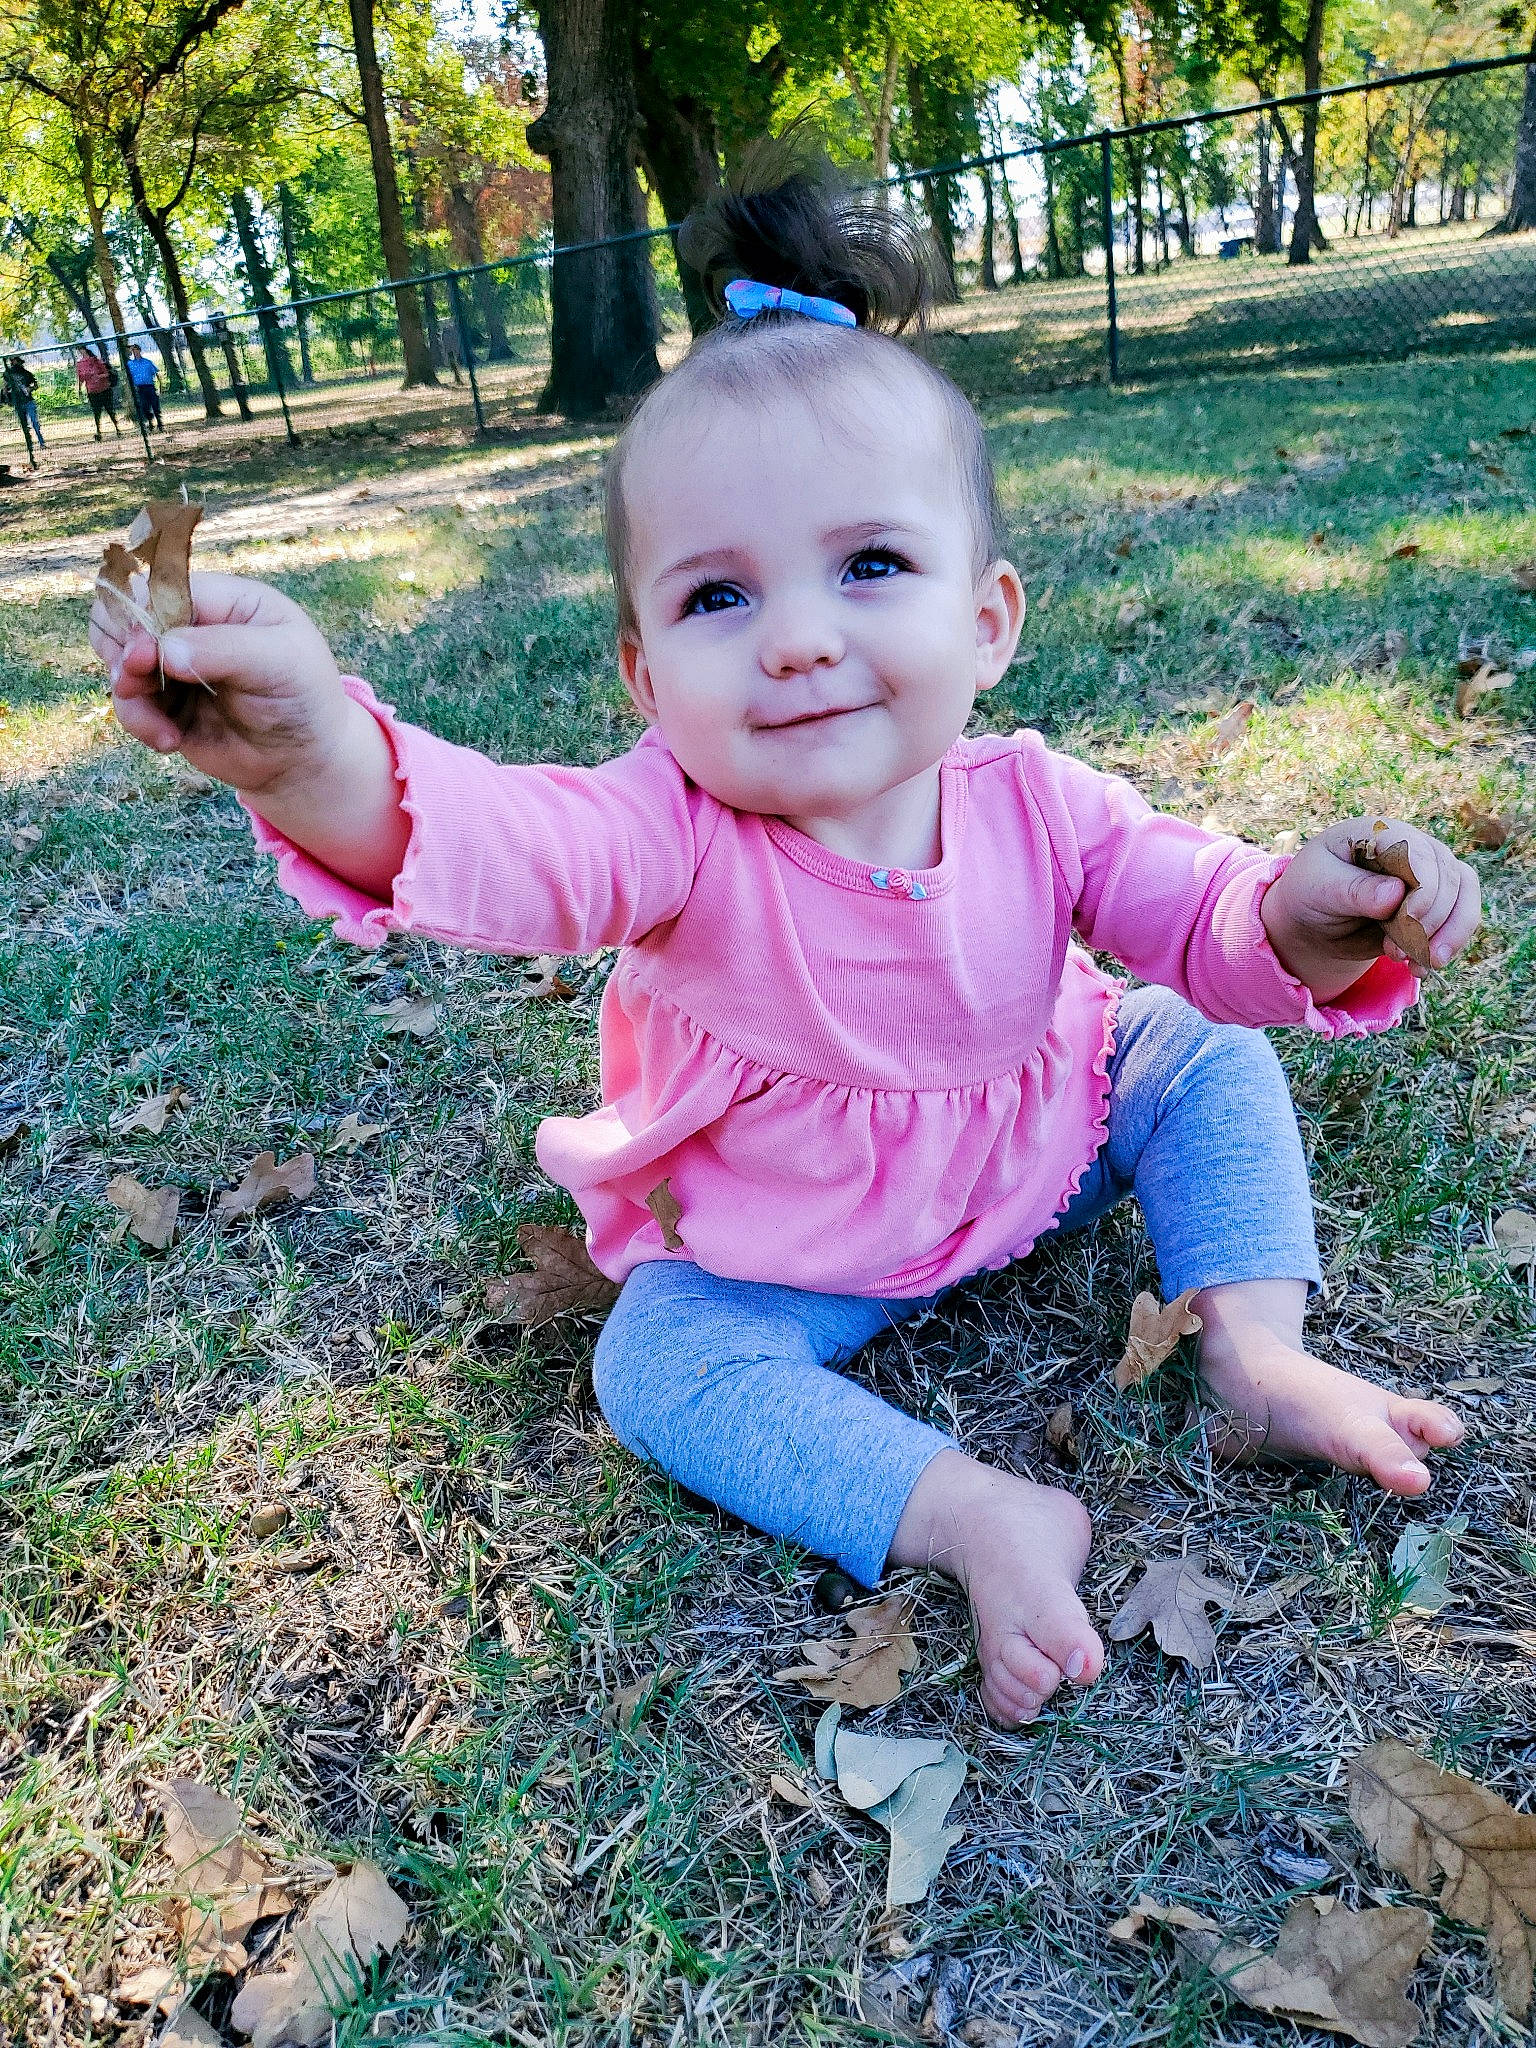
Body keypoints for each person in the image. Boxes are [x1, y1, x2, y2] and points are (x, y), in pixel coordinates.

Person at [89, 137, 1478, 1730]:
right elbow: (507, 846)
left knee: (1204, 1052)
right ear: (644, 675)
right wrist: (322, 756)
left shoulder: (1043, 802)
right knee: (656, 1365)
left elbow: (1207, 924)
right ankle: (972, 1513)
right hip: (802, 1241)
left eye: (871, 566)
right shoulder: (670, 830)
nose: (802, 639)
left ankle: (1259, 1351)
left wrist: (1303, 916)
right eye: (718, 599)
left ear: (987, 621)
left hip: (1039, 1148)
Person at [75, 345, 121, 439]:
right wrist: (79, 389)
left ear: (85, 350)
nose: (80, 352)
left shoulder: (95, 360)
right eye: (79, 350)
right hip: (92, 391)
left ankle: (117, 428)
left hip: (104, 389)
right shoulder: (80, 364)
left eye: (81, 349)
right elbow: (81, 378)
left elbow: (106, 373)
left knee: (109, 409)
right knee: (96, 412)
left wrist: (99, 376)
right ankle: (98, 431)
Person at [3, 355, 45, 458]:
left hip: (29, 401)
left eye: (15, 361)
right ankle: (29, 445)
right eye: (12, 361)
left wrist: (30, 389)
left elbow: (35, 385)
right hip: (18, 403)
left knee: (34, 422)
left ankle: (41, 442)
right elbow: (5, 388)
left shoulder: (26, 373)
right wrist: (8, 398)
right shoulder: (8, 373)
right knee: (24, 425)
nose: (13, 362)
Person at [126, 344, 163, 429]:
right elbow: (129, 377)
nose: (135, 352)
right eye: (133, 350)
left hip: (150, 386)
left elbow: (156, 373)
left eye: (136, 350)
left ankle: (159, 422)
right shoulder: (130, 364)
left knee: (155, 404)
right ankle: (150, 422)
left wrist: (161, 386)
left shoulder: (147, 362)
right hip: (139, 388)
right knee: (144, 406)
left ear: (139, 350)